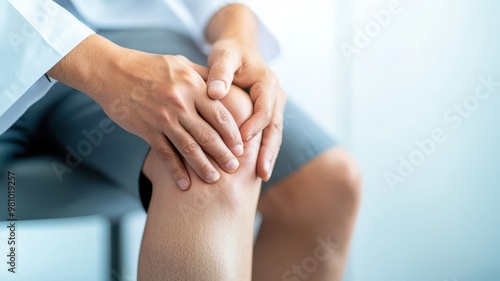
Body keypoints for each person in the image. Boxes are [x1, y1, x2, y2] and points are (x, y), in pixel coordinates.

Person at [0, 0, 361, 280]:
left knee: (323, 184)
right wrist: (103, 68)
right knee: (207, 147)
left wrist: (238, 32)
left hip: (112, 23)